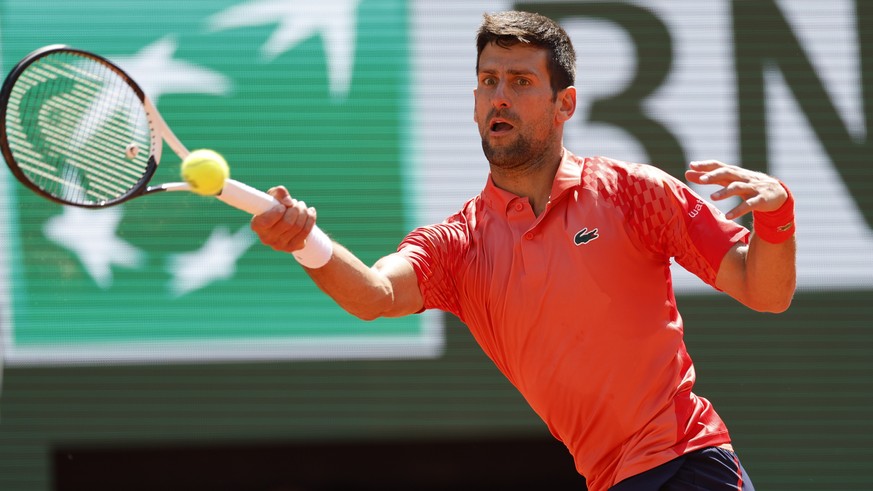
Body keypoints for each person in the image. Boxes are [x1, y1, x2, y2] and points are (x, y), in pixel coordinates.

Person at [251, 10, 796, 491]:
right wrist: (307, 243)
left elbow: (765, 292)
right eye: (488, 81)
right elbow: (374, 294)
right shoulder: (458, 245)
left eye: (520, 80)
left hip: (688, 462)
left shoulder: (635, 193)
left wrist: (777, 217)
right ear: (474, 103)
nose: (500, 96)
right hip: (611, 478)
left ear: (565, 104)